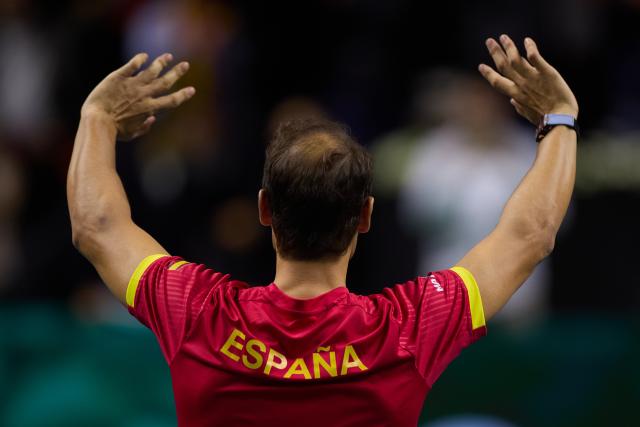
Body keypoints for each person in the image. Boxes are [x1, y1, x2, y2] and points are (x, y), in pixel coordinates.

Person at [67, 35, 578, 426]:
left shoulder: (198, 312)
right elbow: (530, 234)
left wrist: (97, 119)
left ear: (265, 209)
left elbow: (97, 226)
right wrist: (560, 119)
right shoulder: (408, 328)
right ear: (366, 217)